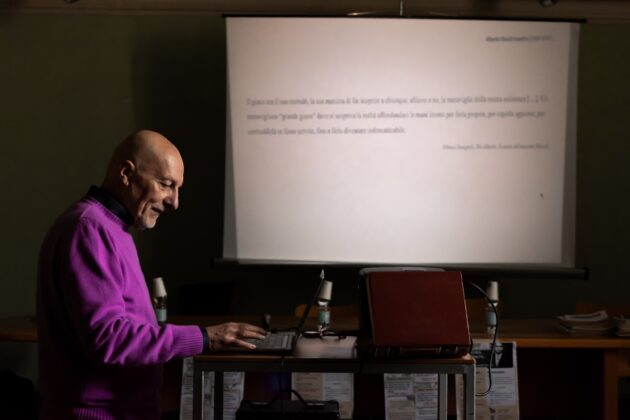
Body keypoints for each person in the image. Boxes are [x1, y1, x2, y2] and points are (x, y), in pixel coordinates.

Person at [36, 130, 266, 419]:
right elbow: (109, 339)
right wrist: (204, 337)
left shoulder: (109, 228)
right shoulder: (89, 229)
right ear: (126, 173)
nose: (175, 202)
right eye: (166, 185)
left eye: (177, 188)